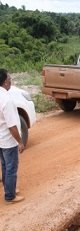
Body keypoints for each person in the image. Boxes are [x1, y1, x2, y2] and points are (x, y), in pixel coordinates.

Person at [0, 69, 25, 203]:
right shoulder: (6, 100)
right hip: (8, 140)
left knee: (5, 166)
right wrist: (20, 142)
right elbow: (11, 126)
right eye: (9, 78)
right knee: (11, 167)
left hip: (1, 138)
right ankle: (10, 196)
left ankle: (8, 188)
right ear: (5, 82)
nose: (11, 80)